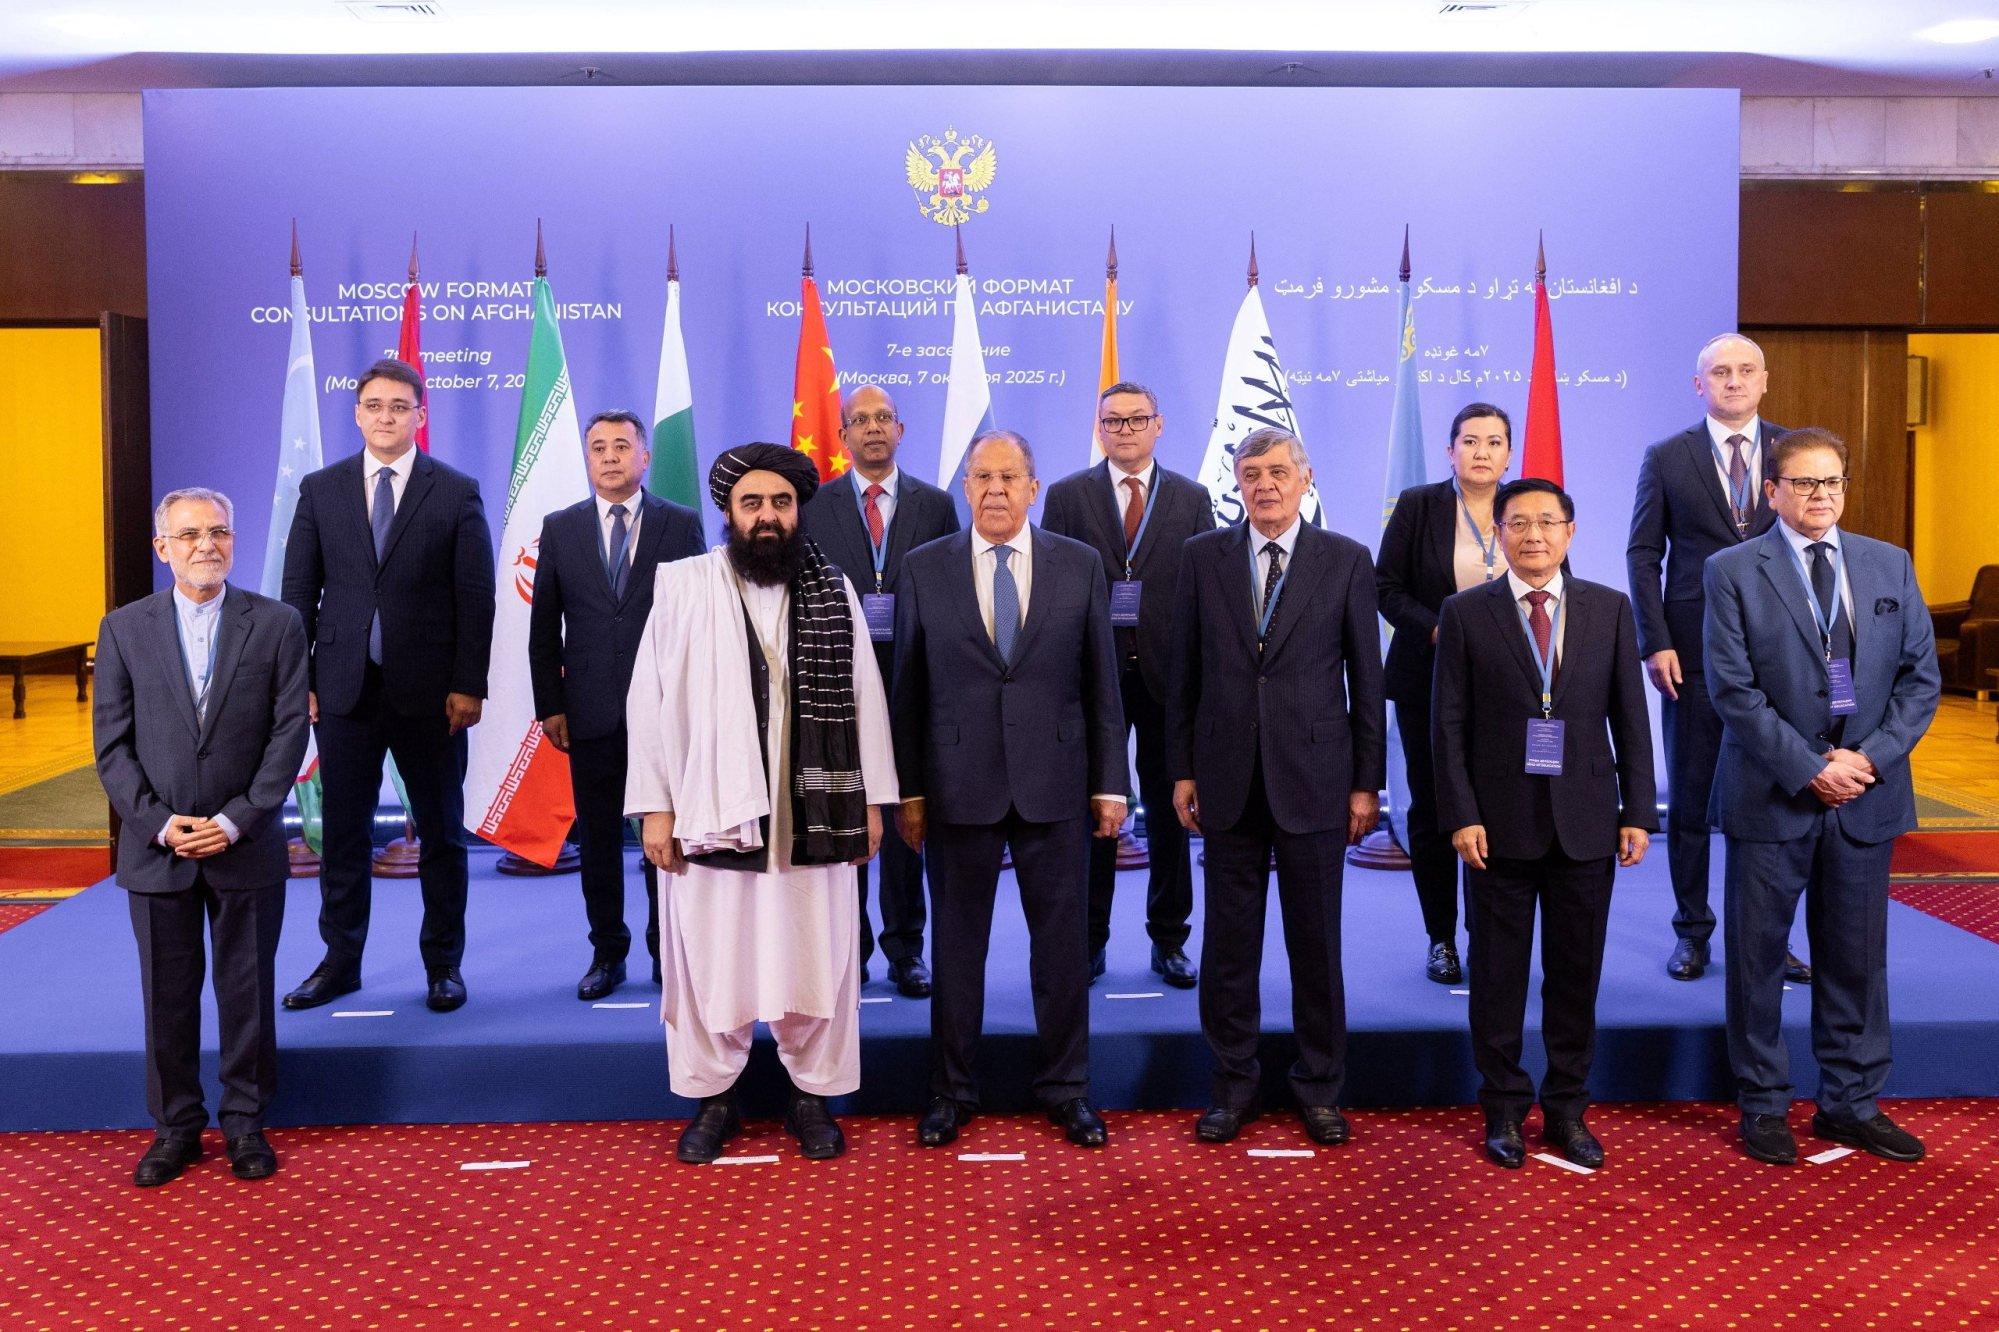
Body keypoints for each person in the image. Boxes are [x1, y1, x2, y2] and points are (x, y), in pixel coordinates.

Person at [625, 443, 899, 1164]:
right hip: (711, 808)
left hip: (816, 810)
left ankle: (812, 1095)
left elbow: (865, 696)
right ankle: (715, 1098)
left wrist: (871, 801)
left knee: (817, 949)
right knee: (712, 952)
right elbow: (648, 701)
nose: (768, 516)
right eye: (753, 503)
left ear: (798, 510)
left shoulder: (833, 589)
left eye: (781, 502)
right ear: (729, 512)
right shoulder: (685, 585)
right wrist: (656, 805)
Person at [1705, 428, 1940, 1167]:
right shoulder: (1731, 570)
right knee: (1757, 960)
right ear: (1771, 491)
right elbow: (1733, 691)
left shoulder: (1888, 563)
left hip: (1864, 794)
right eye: (1804, 483)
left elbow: (1919, 681)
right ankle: (1763, 1103)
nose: (1821, 496)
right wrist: (1809, 768)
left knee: (1856, 960)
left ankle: (1850, 1104)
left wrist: (1865, 760)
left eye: (1832, 481)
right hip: (1772, 794)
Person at [892, 429, 1127, 1150]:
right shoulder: (922, 566)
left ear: (1032, 488)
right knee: (957, 950)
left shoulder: (1079, 564)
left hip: (1056, 784)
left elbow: (1101, 681)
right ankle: (951, 1091)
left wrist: (1111, 784)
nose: (995, 490)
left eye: (1008, 477)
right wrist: (908, 790)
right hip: (955, 786)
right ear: (965, 488)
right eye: (982, 477)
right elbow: (907, 689)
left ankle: (1067, 1089)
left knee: (1061, 949)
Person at [1168, 426, 1385, 1148]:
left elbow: (1367, 680)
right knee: (1228, 948)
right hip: (1225, 779)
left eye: (1277, 472)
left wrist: (1367, 784)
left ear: (1304, 478)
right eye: (1251, 473)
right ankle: (1232, 1087)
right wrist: (1181, 769)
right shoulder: (1201, 557)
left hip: (1316, 780)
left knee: (1315, 946)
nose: (1264, 485)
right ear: (1237, 483)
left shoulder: (1345, 559)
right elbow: (1183, 674)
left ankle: (1318, 1089)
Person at [1433, 477, 1656, 1170]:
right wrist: (1461, 815)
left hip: (1586, 823)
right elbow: (1447, 726)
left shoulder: (1609, 608)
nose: (1533, 535)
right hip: (1495, 829)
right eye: (1518, 523)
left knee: (1575, 977)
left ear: (1570, 532)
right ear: (1497, 533)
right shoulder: (1465, 613)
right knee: (1497, 976)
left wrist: (1638, 812)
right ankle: (1502, 1107)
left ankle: (1566, 1109)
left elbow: (1631, 718)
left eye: (1547, 522)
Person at [93, 488, 310, 1186]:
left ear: (234, 542)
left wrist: (235, 819)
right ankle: (176, 1128)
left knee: (247, 992)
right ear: (163, 548)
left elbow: (288, 734)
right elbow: (111, 747)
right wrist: (159, 823)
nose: (205, 545)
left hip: (245, 843)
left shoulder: (276, 624)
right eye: (188, 535)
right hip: (156, 847)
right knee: (167, 995)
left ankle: (245, 1122)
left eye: (218, 531)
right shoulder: (122, 629)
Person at [281, 357, 495, 1014]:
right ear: (357, 414)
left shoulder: (455, 490)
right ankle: (340, 962)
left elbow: (476, 596)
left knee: (442, 834)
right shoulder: (320, 490)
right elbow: (298, 593)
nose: (386, 416)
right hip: (342, 691)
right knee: (343, 834)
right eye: (374, 405)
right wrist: (300, 680)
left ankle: (444, 965)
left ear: (419, 415)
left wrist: (468, 684)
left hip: (432, 696)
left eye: (399, 406)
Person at [1627, 335, 1809, 985]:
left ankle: (1768, 940)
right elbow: (1643, 555)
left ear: (1765, 380)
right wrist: (1654, 640)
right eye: (1719, 372)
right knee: (1692, 801)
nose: (1733, 381)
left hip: (1781, 654)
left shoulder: (1794, 453)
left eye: (1745, 370)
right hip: (1691, 652)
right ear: (1698, 384)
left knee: (1775, 803)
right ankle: (1692, 932)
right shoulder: (1666, 456)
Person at [1042, 381, 1215, 990]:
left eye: (1137, 419)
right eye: (1113, 421)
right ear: (1099, 428)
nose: (1125, 430)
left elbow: (1204, 590)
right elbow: (1053, 585)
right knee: (1098, 810)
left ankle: (1170, 940)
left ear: (1158, 425)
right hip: (1093, 677)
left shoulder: (1192, 497)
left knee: (1170, 813)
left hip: (1170, 679)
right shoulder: (1067, 496)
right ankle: (1089, 940)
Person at [528, 410, 705, 1000]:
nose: (609, 456)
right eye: (598, 447)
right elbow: (543, 628)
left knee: (666, 835)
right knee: (599, 840)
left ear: (644, 457)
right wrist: (550, 704)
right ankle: (607, 953)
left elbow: (699, 621)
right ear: (587, 458)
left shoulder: (680, 524)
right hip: (589, 712)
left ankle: (668, 949)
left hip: (666, 712)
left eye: (621, 446)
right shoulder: (561, 528)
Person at [800, 384, 960, 998]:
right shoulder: (814, 506)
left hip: (915, 680)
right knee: (843, 819)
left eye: (883, 417)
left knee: (905, 821)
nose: (872, 428)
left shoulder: (936, 505)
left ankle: (906, 948)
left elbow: (951, 592)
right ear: (842, 435)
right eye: (860, 419)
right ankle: (849, 949)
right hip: (836, 682)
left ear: (901, 429)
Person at [1376, 402, 1513, 985]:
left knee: (1498, 809)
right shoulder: (1419, 505)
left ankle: (1489, 935)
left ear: (1509, 453)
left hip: (1508, 686)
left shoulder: (1525, 505)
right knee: (1433, 809)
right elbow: (1386, 587)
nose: (1481, 452)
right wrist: (1440, 630)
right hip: (1427, 679)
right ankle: (1441, 938)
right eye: (1470, 441)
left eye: (1494, 442)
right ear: (1449, 449)